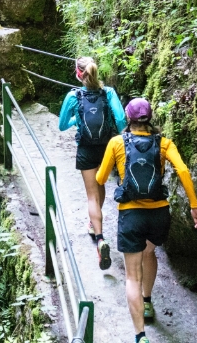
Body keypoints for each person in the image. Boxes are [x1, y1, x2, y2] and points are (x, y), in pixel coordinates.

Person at [96, 98, 197, 343]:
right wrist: (194, 206)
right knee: (149, 253)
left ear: (129, 119)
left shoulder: (116, 142)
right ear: (150, 117)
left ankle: (140, 335)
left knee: (132, 276)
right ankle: (147, 301)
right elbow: (184, 171)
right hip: (158, 214)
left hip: (131, 215)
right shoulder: (164, 143)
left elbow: (101, 178)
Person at [58, 57, 126, 270]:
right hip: (107, 147)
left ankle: (100, 238)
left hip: (86, 148)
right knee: (101, 186)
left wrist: (77, 120)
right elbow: (122, 120)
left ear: (79, 74)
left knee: (91, 196)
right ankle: (93, 224)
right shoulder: (109, 93)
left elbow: (61, 125)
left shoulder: (73, 96)